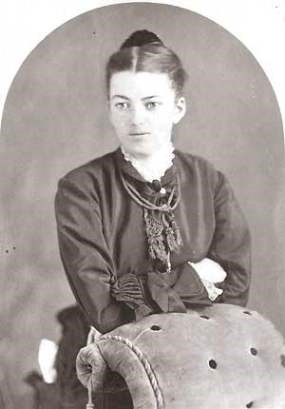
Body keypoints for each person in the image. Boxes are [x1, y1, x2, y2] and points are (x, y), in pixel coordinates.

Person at [54, 29, 251, 408]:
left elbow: (234, 293)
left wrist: (136, 288)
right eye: (122, 104)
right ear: (109, 107)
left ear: (178, 107)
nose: (136, 119)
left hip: (203, 375)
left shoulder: (209, 181)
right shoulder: (80, 189)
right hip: (120, 381)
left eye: (151, 104)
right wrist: (195, 278)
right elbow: (104, 309)